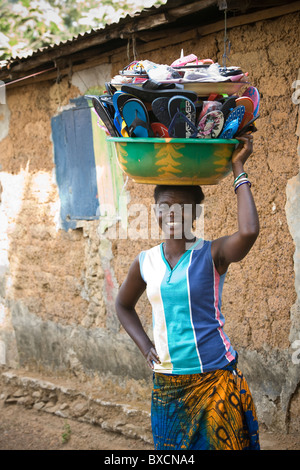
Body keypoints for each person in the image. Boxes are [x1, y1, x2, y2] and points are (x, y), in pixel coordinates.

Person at [115, 134, 260, 450]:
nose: (170, 215)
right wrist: (145, 346)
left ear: (194, 214)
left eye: (180, 208)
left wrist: (238, 166)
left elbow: (248, 231)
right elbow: (123, 306)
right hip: (168, 385)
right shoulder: (145, 262)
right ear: (154, 211)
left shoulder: (213, 254)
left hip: (216, 379)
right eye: (164, 207)